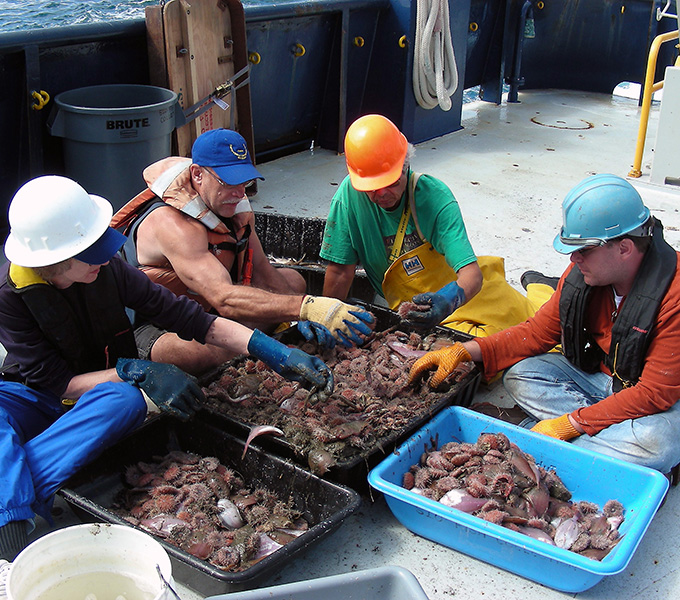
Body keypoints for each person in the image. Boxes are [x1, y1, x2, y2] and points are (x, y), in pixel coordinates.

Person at [0, 175, 334, 561]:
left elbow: (191, 319)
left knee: (127, 400)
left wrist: (269, 348)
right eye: (91, 253)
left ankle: (12, 485)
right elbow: (56, 383)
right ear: (56, 264)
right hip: (39, 396)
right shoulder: (11, 296)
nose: (106, 256)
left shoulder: (109, 269)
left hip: (99, 403)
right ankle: (10, 528)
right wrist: (137, 370)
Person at [410, 173, 680, 473]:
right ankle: (605, 450)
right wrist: (464, 351)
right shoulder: (585, 275)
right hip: (603, 382)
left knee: (659, 441)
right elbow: (537, 333)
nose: (573, 259)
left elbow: (656, 393)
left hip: (657, 403)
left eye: (584, 249)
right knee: (520, 374)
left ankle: (564, 438)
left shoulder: (674, 294)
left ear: (625, 248)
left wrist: (571, 423)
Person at [111, 128, 374, 349]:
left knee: (293, 281)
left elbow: (261, 268)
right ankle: (251, 342)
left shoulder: (232, 205)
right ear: (197, 174)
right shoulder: (172, 225)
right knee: (210, 351)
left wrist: (299, 318)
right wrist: (307, 307)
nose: (239, 193)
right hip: (158, 325)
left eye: (244, 182)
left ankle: (258, 336)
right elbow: (223, 298)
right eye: (228, 182)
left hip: (209, 309)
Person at [319, 114, 551, 338]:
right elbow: (340, 272)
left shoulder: (435, 198)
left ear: (405, 165)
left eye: (389, 182)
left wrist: (447, 301)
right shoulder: (347, 199)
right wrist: (324, 320)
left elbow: (472, 276)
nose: (381, 194)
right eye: (371, 187)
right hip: (407, 307)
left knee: (526, 332)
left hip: (463, 297)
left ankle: (541, 286)